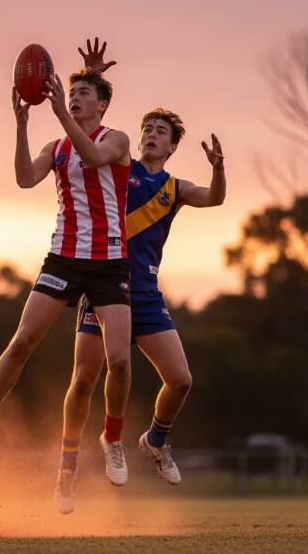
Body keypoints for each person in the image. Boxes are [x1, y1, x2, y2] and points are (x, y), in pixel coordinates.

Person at [54, 40, 226, 514]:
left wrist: (220, 169)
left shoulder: (173, 188)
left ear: (172, 147)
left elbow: (214, 198)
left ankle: (155, 439)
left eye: (161, 132)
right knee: (84, 379)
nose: (151, 134)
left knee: (181, 379)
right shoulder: (120, 167)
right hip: (104, 284)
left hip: (145, 294)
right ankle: (67, 467)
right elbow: (89, 121)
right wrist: (87, 75)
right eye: (147, 127)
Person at [0, 50, 134, 485]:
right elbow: (24, 179)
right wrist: (22, 125)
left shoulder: (117, 139)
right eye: (71, 93)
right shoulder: (57, 147)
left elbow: (92, 157)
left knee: (120, 362)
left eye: (83, 93)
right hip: (64, 259)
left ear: (102, 105)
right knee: (22, 341)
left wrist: (61, 105)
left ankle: (113, 439)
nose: (73, 99)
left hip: (109, 263)